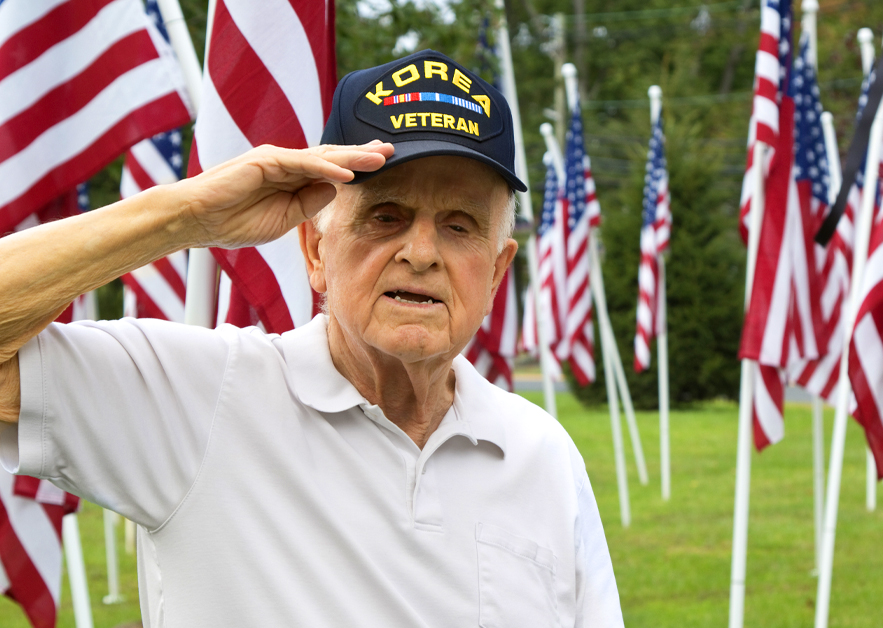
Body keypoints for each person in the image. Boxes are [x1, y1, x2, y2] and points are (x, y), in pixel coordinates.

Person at [0, 50, 623, 627]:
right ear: (315, 249)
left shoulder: (541, 456)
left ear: (496, 273)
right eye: (387, 216)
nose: (422, 253)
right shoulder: (199, 399)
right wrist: (186, 217)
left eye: (460, 226)